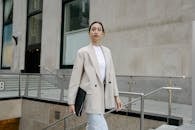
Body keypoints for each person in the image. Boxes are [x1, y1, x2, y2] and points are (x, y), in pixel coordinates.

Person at [68, 21, 122, 130]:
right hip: (90, 95)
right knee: (101, 127)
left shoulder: (107, 51)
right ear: (89, 33)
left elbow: (111, 75)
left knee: (92, 126)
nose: (96, 31)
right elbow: (75, 78)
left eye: (99, 29)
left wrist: (117, 96)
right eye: (93, 29)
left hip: (103, 95)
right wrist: (71, 101)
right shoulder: (83, 52)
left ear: (103, 33)